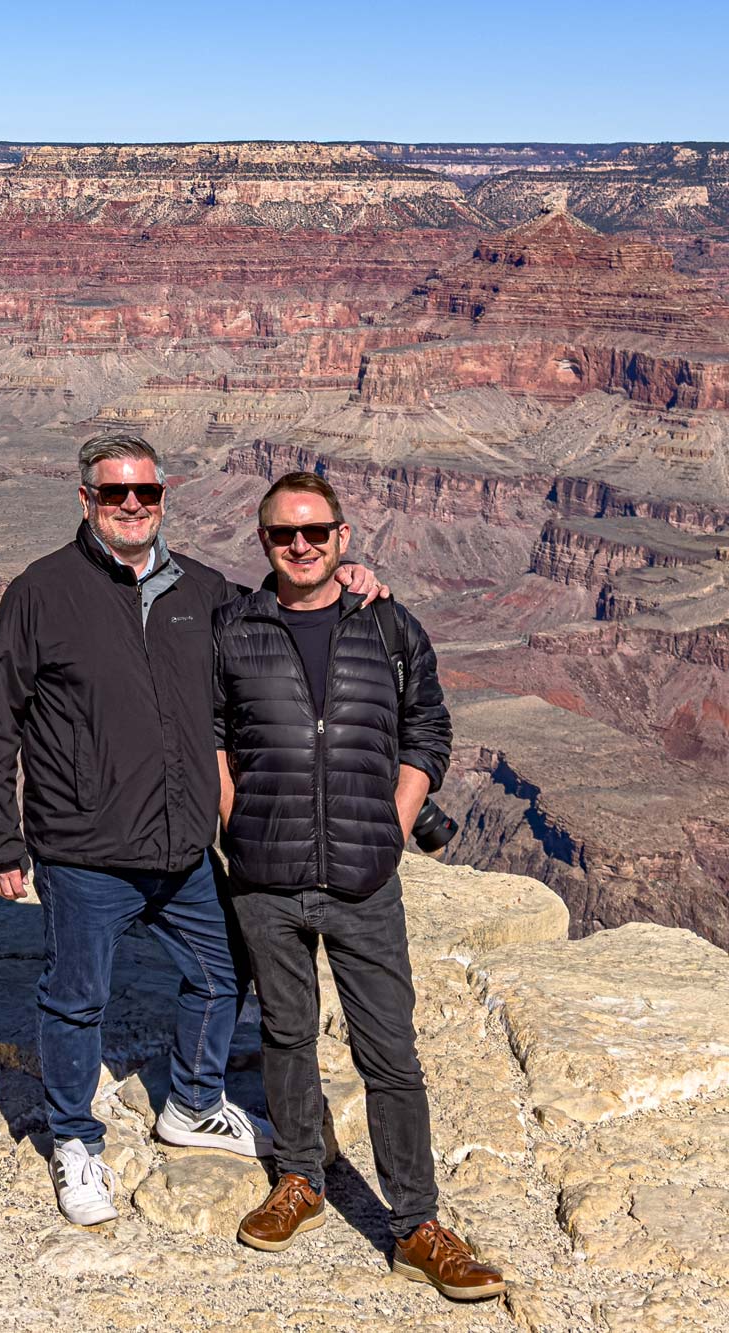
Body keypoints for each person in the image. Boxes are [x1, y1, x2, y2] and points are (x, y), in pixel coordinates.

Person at [0, 434, 385, 1227]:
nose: (132, 505)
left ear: (165, 497)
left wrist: (342, 578)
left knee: (226, 968)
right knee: (75, 997)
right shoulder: (43, 592)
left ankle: (191, 1102)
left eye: (147, 493)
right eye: (115, 493)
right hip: (84, 850)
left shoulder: (201, 589)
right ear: (85, 498)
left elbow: (277, 612)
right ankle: (74, 1139)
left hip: (184, 845)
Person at [212, 471, 505, 1301]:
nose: (299, 545)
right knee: (286, 1031)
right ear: (262, 540)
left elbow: (427, 727)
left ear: (343, 538)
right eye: (282, 534)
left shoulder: (388, 624)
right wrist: (237, 820)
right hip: (265, 875)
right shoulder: (234, 629)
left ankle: (415, 1223)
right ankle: (300, 1178)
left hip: (365, 875)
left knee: (391, 1052)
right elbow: (211, 735)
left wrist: (398, 815)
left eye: (315, 531)